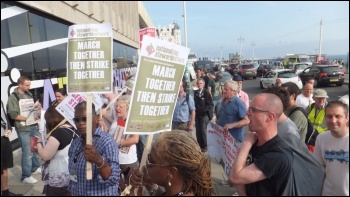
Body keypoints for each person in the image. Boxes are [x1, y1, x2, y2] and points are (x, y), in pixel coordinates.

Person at [229, 93, 323, 196]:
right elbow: (240, 180)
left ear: (269, 117)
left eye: (253, 110)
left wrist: (246, 144)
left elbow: (235, 178)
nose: (247, 113)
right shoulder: (256, 143)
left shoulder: (277, 154)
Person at [129, 130, 214, 196]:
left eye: (151, 162)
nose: (147, 165)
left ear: (171, 172)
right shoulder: (184, 188)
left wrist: (134, 192)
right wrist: (150, 185)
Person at [68, 101, 120, 196]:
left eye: (85, 119)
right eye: (77, 120)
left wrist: (99, 160)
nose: (81, 123)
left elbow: (113, 179)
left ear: (96, 119)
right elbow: (72, 179)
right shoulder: (75, 144)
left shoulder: (107, 142)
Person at [35, 105, 78, 196]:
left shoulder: (58, 133)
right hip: (73, 175)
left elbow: (45, 156)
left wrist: (38, 144)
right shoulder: (73, 129)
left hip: (59, 178)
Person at [7, 76, 41, 184]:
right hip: (23, 128)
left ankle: (35, 167)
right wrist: (28, 118)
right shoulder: (13, 97)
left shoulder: (29, 94)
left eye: (29, 84)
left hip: (32, 126)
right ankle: (26, 175)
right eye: (27, 85)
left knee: (35, 149)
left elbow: (32, 108)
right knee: (27, 152)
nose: (29, 86)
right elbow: (13, 114)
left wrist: (37, 107)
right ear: (20, 85)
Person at [313, 101, 349, 196]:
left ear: (347, 118)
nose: (333, 120)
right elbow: (319, 168)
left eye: (338, 116)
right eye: (329, 116)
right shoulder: (321, 138)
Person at [113, 95, 140, 190]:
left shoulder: (131, 120)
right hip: (116, 161)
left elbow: (135, 139)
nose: (117, 108)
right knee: (121, 189)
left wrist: (119, 144)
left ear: (127, 108)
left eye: (121, 107)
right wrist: (103, 124)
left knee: (133, 189)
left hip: (129, 162)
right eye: (116, 106)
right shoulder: (117, 120)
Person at [1, 101, 23, 196]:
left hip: (4, 138)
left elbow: (4, 117)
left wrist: (9, 128)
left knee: (4, 166)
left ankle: (5, 192)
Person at [194, 78, 214, 152]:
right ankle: (200, 144)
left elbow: (211, 104)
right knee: (198, 130)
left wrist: (204, 110)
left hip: (204, 115)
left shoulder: (206, 93)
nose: (199, 85)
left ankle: (205, 145)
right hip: (197, 115)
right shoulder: (196, 92)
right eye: (198, 83)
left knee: (203, 130)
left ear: (203, 84)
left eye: (201, 83)